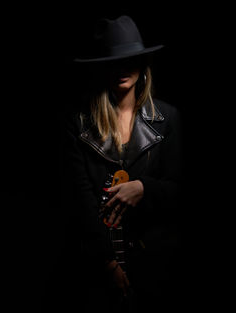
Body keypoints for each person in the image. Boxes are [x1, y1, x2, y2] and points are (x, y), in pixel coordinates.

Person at [61, 15, 183, 312]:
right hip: (96, 265)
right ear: (101, 67)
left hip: (157, 266)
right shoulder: (78, 124)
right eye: (113, 61)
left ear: (143, 64)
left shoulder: (168, 119)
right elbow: (80, 199)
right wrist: (107, 261)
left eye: (130, 59)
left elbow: (181, 190)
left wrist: (144, 188)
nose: (122, 68)